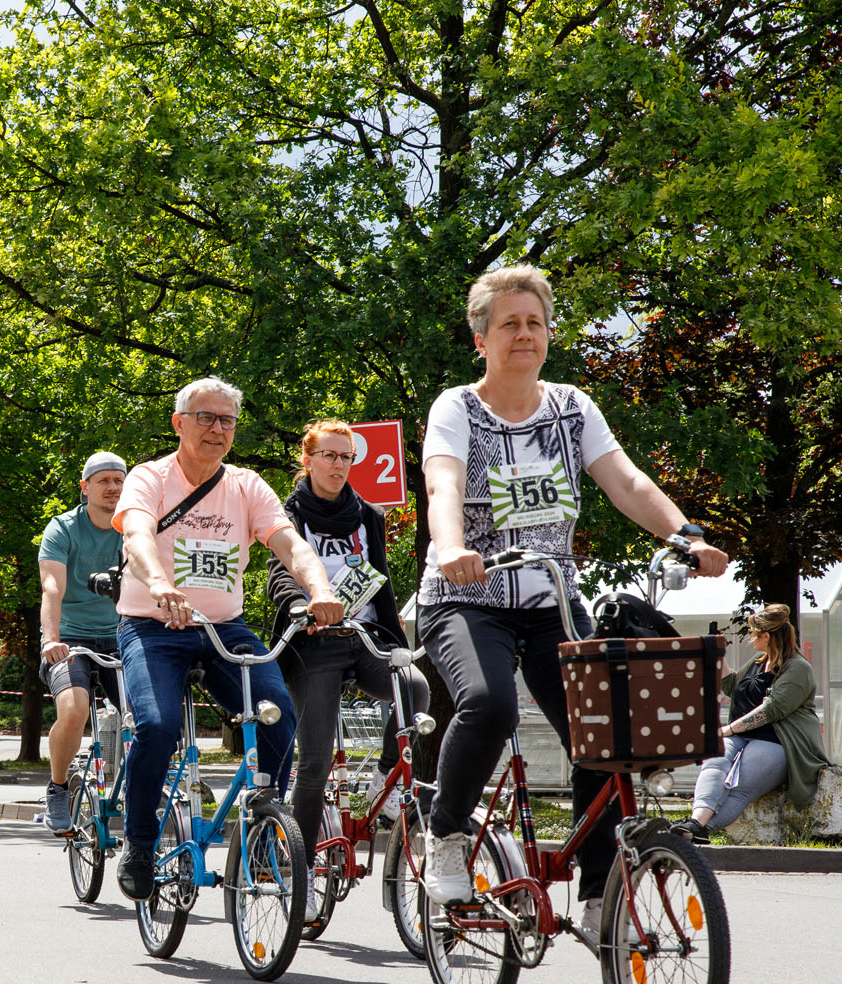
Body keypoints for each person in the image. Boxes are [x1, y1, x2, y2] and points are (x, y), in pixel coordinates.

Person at [418, 263, 727, 934]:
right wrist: (449, 548)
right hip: (466, 596)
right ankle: (442, 836)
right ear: (481, 340)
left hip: (550, 600)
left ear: (548, 334)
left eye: (534, 323)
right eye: (508, 325)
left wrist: (685, 533)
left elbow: (626, 482)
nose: (523, 335)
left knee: (604, 735)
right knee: (489, 704)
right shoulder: (456, 408)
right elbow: (443, 485)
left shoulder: (570, 407)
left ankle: (596, 897)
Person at [112, 376, 347, 900]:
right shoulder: (150, 478)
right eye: (206, 418)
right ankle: (141, 841)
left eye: (227, 421)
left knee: (279, 714)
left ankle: (263, 821)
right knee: (156, 724)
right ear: (179, 423)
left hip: (224, 628)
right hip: (153, 625)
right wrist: (158, 583)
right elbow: (138, 535)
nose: (218, 429)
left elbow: (291, 544)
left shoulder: (246, 485)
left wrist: (320, 590)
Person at [267, 418, 429, 917]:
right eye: (329, 456)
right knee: (314, 764)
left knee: (414, 687)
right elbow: (280, 571)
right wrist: (300, 606)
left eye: (346, 457)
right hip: (311, 643)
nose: (338, 465)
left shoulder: (367, 515)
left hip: (362, 638)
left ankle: (386, 774)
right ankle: (298, 870)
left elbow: (378, 583)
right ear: (308, 459)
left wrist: (397, 646)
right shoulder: (286, 513)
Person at [673, 604, 831, 843]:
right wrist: (718, 654)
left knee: (738, 789)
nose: (750, 638)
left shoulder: (797, 667)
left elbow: (772, 710)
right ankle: (696, 823)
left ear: (766, 636)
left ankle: (698, 828)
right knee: (713, 766)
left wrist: (729, 729)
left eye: (752, 633)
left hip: (775, 741)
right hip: (739, 737)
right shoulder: (758, 662)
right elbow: (731, 685)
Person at [38, 451, 127, 832]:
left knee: (152, 718)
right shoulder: (63, 528)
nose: (112, 488)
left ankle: (144, 787)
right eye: (104, 481)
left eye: (119, 481)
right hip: (69, 637)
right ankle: (58, 787)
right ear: (85, 487)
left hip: (124, 634)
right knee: (74, 710)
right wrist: (51, 639)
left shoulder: (134, 527)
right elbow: (52, 586)